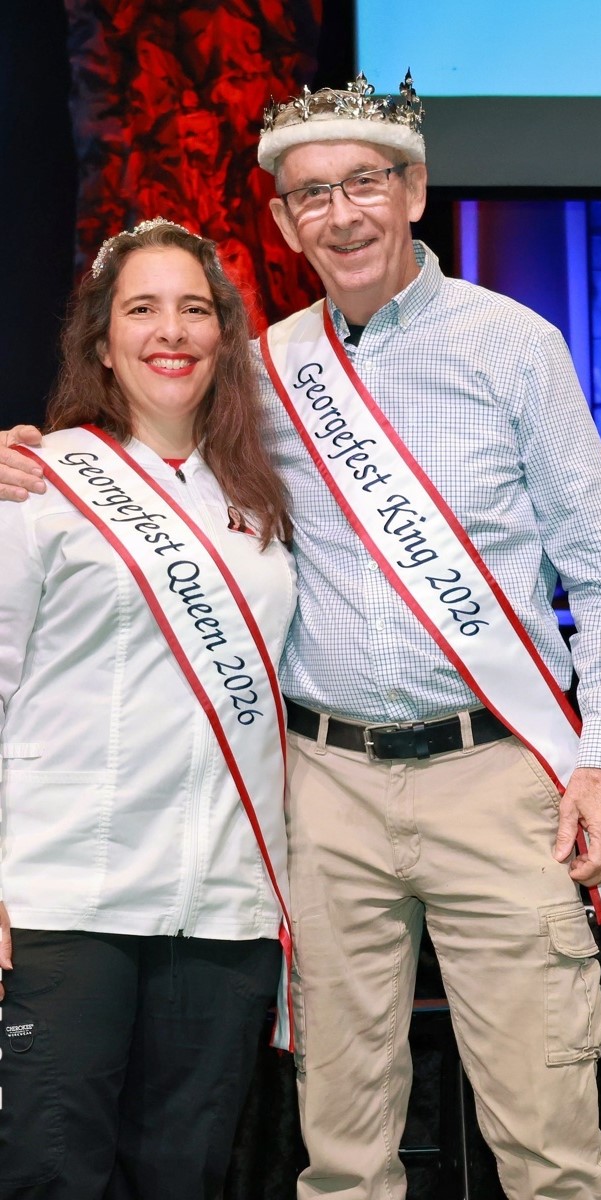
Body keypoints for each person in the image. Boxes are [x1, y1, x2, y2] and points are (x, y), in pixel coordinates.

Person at [2, 72, 601, 1200]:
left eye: (365, 184)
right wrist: (21, 459)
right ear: (284, 224)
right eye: (311, 196)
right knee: (340, 1151)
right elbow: (146, 456)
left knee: (548, 1146)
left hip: (495, 775)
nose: (342, 215)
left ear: (415, 191)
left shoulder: (516, 345)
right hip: (323, 789)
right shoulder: (262, 370)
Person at [0, 217, 296, 1200]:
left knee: (185, 1177)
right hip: (63, 899)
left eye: (194, 309)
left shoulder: (263, 503)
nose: (171, 331)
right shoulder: (35, 486)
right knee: (52, 1173)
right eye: (142, 309)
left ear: (224, 335)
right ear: (101, 338)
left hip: (223, 910)